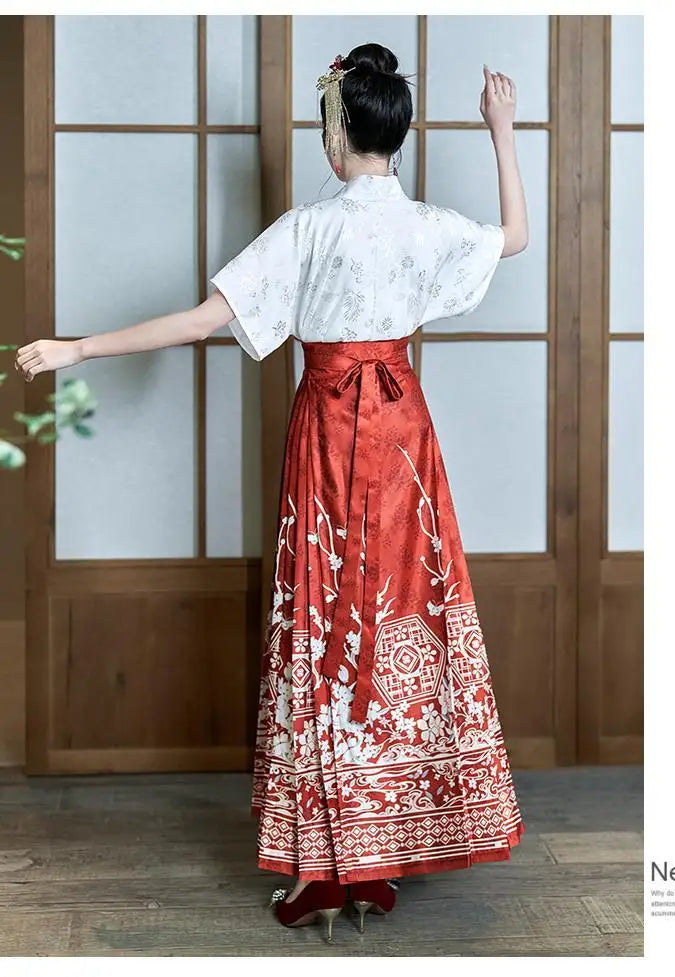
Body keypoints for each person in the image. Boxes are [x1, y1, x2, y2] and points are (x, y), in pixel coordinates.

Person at [15, 43, 529, 944]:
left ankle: (322, 874)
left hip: (330, 434)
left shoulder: (310, 228)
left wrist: (79, 348)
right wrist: (502, 133)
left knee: (324, 630)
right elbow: (514, 236)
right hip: (405, 437)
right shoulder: (426, 225)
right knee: (397, 622)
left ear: (337, 137)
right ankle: (373, 865)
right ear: (396, 137)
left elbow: (203, 320)